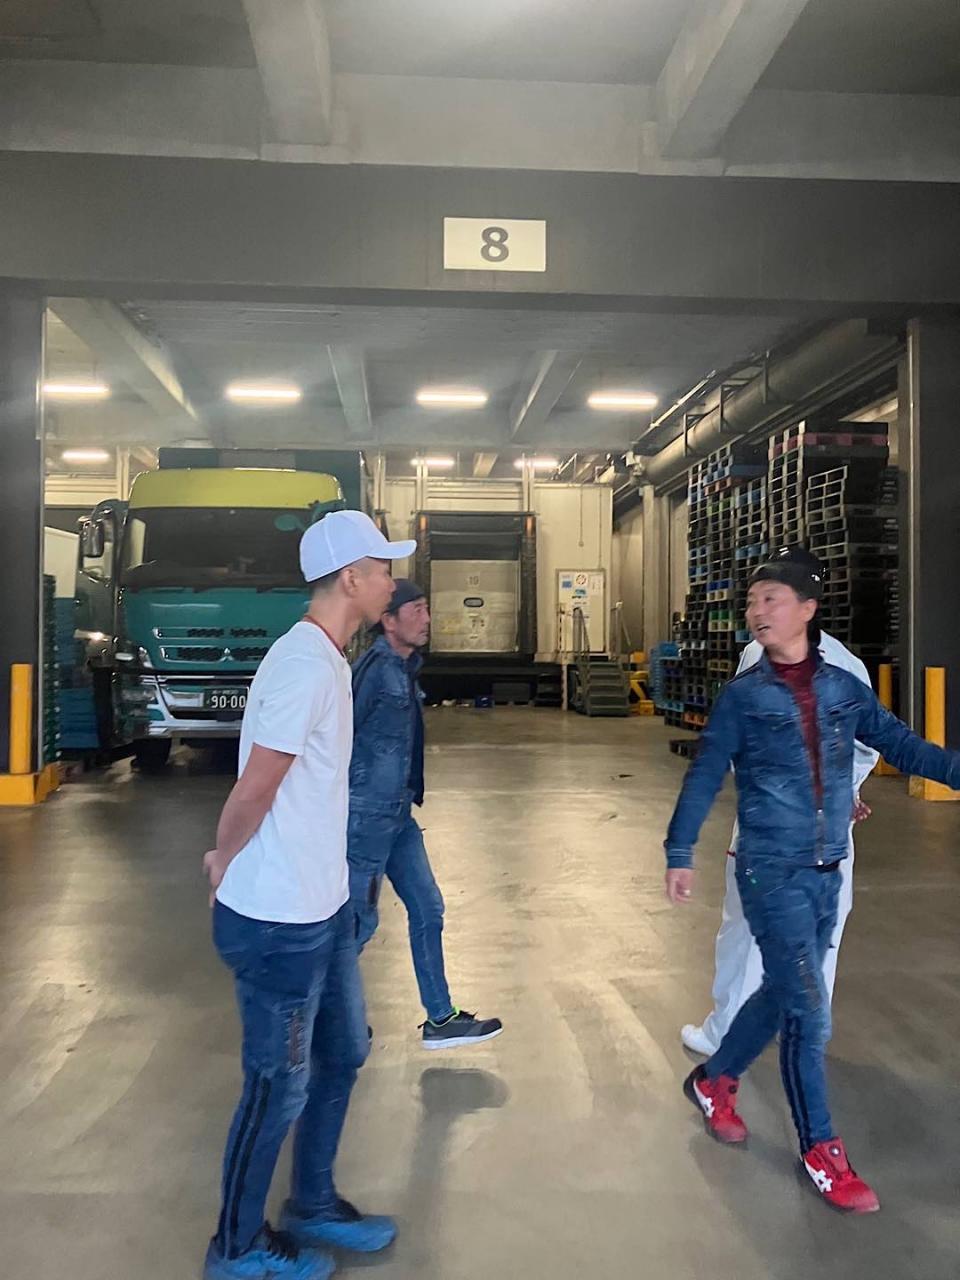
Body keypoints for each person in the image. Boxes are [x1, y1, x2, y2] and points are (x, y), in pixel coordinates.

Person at [664, 545, 960, 1214]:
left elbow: (901, 745)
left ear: (806, 609)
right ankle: (823, 1152)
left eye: (770, 599)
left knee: (780, 991)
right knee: (807, 1011)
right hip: (770, 870)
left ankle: (715, 1079)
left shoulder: (842, 686)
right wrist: (680, 849)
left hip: (827, 866)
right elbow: (706, 772)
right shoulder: (745, 694)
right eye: (752, 601)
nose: (756, 610)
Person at [201, 510, 416, 1280]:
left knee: (343, 1052)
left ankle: (312, 1203)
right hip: (278, 923)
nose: (393, 581)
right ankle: (236, 1248)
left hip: (322, 911)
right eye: (383, 569)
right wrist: (223, 859)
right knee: (277, 1087)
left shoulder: (329, 658)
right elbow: (256, 787)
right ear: (351, 579)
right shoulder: (302, 664)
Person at [680, 627, 878, 1058]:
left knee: (747, 928)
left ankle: (727, 1032)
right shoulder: (847, 663)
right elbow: (866, 742)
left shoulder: (762, 652)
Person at [348, 579, 503, 1049]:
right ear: (388, 620)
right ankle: (324, 1020)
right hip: (367, 818)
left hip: (398, 816)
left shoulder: (405, 668)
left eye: (426, 608)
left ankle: (440, 1017)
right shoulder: (374, 670)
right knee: (357, 924)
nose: (427, 618)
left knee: (428, 907)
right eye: (415, 610)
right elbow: (338, 736)